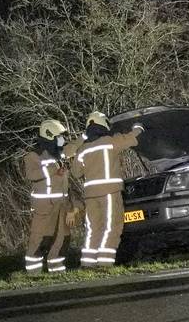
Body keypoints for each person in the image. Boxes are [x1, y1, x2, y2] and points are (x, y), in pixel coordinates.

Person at [70, 112, 143, 267]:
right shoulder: (110, 141)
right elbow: (130, 140)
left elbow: (76, 173)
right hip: (109, 192)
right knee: (112, 226)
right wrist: (138, 128)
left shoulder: (82, 150)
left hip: (90, 196)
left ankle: (87, 263)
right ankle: (104, 264)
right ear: (103, 124)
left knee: (93, 228)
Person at [22, 119, 73, 274]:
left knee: (61, 239)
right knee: (40, 239)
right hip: (44, 207)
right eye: (59, 137)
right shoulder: (33, 155)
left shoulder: (59, 156)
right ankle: (33, 272)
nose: (62, 140)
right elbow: (31, 174)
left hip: (61, 205)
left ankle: (56, 270)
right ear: (49, 136)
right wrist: (53, 171)